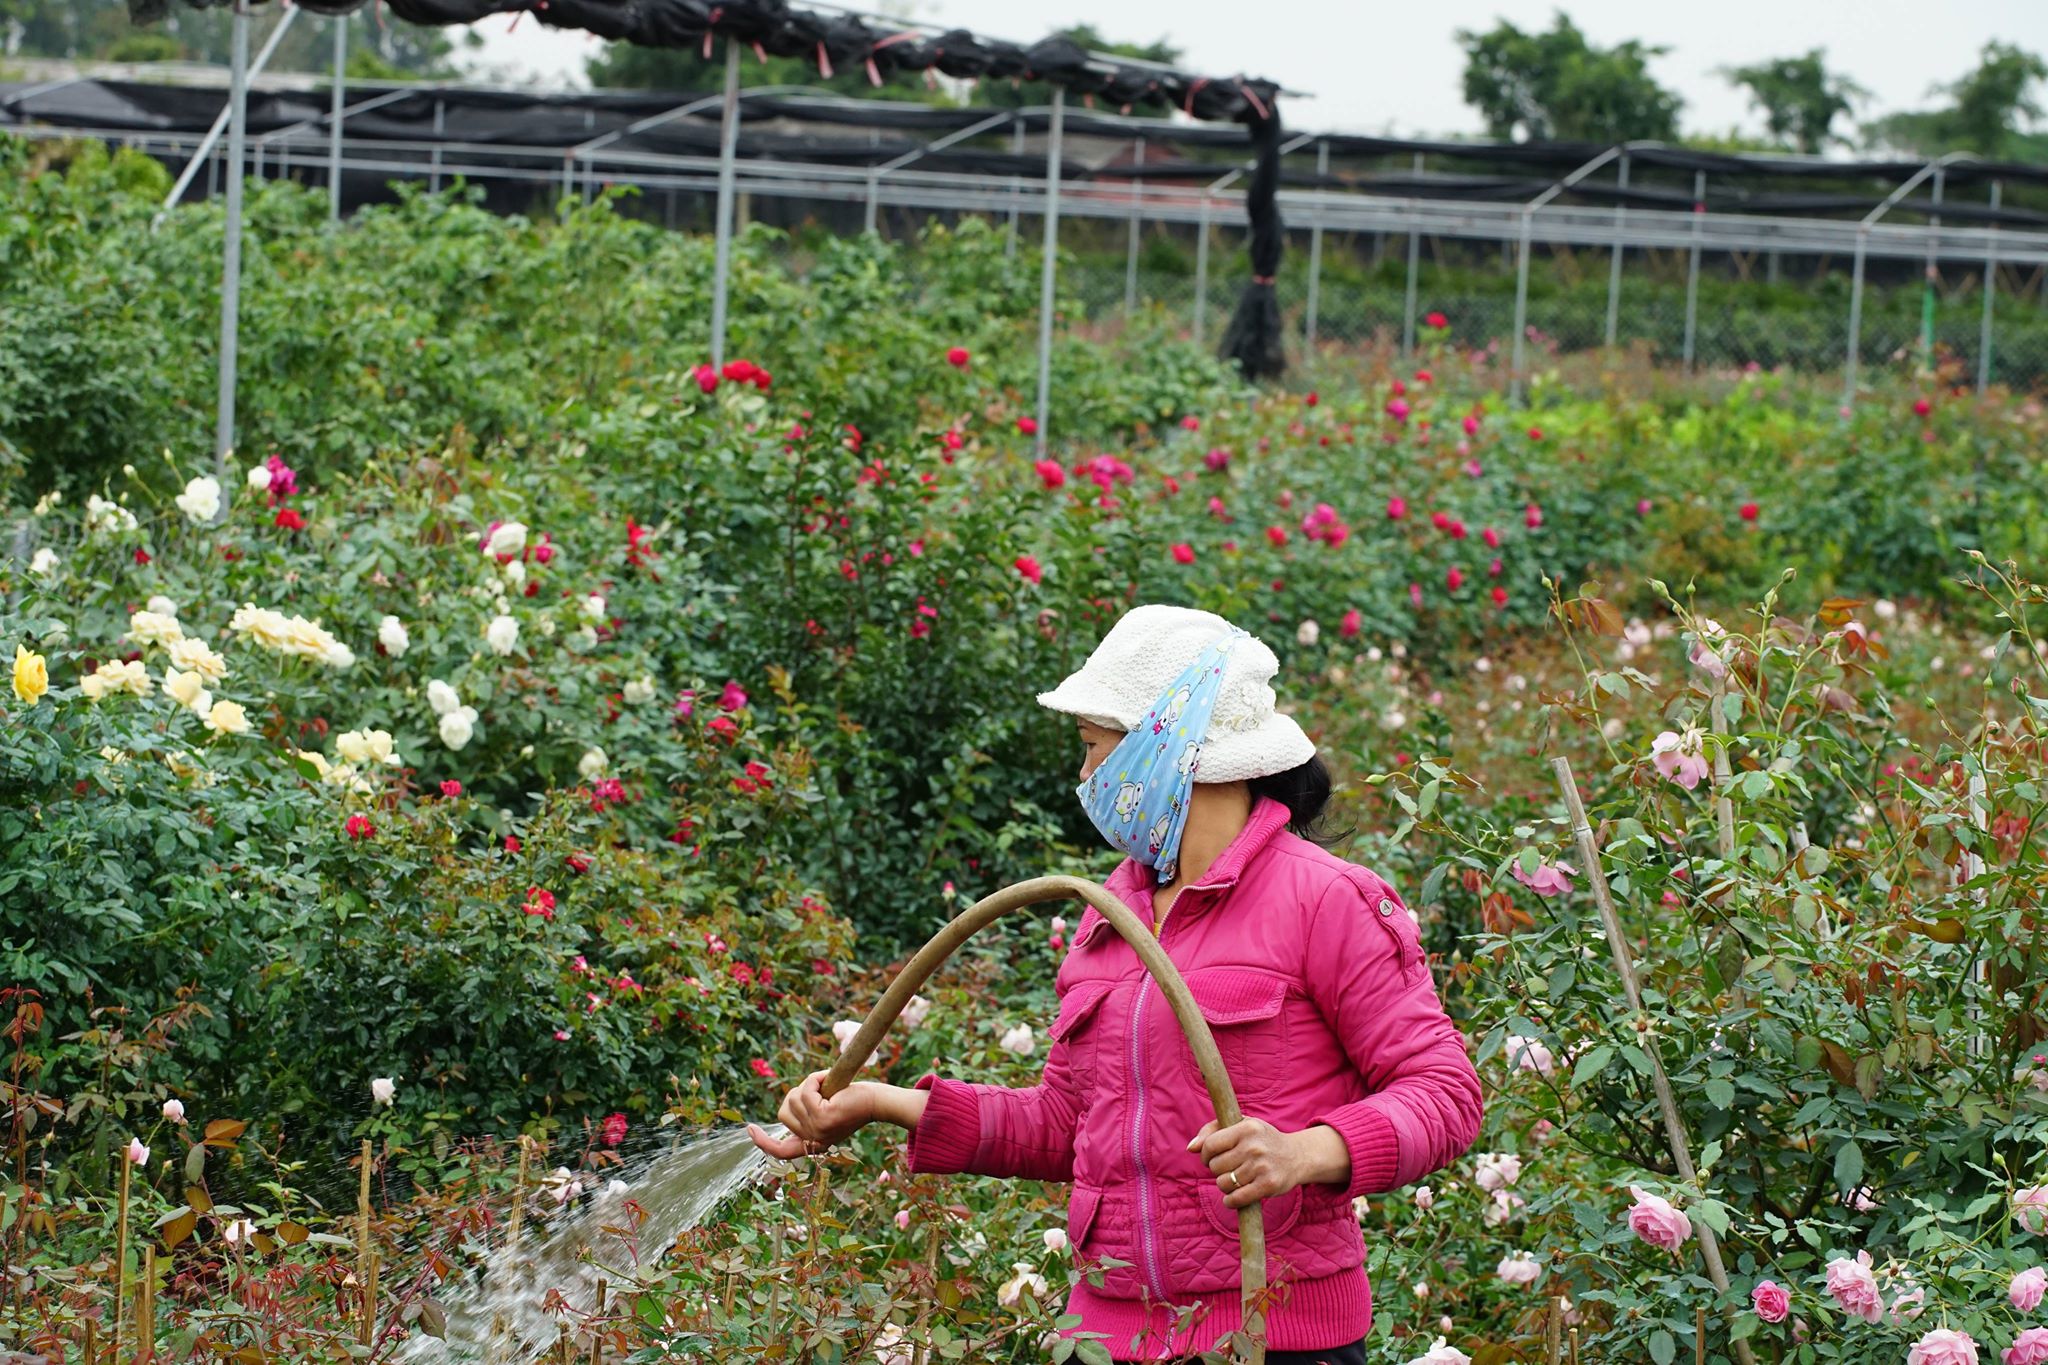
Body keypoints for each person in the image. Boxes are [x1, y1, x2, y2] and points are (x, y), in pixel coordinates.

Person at [751, 605, 1484, 1363]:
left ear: (1168, 749)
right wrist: (880, 1102)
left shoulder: (1329, 899)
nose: (1084, 775)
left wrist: (1305, 1152)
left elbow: (1446, 1093)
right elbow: (1070, 1125)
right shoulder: (1109, 913)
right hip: (1103, 1338)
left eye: (1094, 748)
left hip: (1274, 1334)